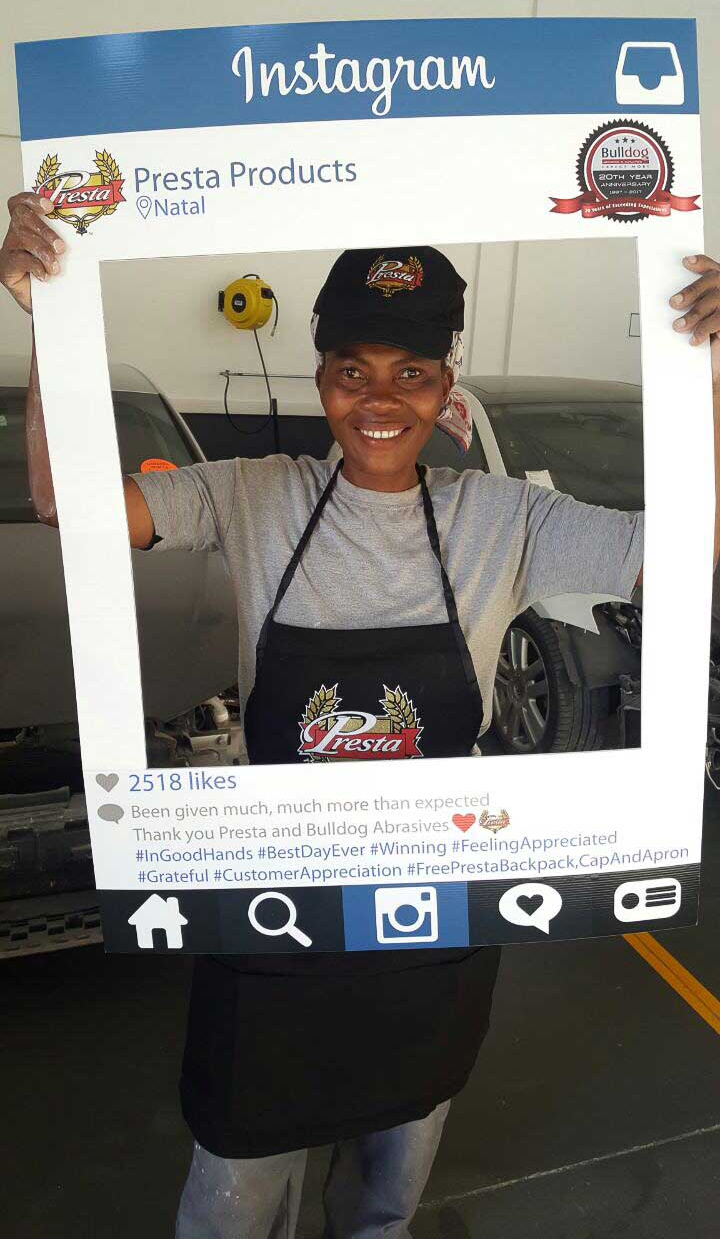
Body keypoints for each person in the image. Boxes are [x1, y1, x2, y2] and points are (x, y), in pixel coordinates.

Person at [2, 193, 719, 1239]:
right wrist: (50, 323)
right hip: (275, 907)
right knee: (236, 1188)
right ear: (322, 379)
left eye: (411, 373)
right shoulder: (252, 494)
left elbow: (686, 549)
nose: (381, 400)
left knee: (387, 1195)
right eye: (354, 371)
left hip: (431, 911)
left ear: (445, 386)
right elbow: (71, 505)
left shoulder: (506, 519)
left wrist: (711, 373)